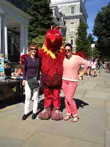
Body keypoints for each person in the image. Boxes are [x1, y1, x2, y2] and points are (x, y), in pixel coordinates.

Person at [62, 43, 90, 122]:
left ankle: (75, 115)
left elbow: (88, 63)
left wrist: (82, 72)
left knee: (69, 98)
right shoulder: (64, 58)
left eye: (69, 50)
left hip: (73, 81)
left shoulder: (76, 58)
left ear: (71, 50)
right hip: (64, 80)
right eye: (66, 50)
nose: (67, 51)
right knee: (65, 99)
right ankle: (68, 113)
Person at [22, 44, 41, 120]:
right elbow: (24, 69)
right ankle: (25, 113)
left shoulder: (39, 59)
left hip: (36, 79)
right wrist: (24, 79)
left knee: (35, 97)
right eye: (32, 49)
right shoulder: (27, 59)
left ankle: (34, 112)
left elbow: (40, 69)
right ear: (29, 50)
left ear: (36, 50)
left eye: (35, 49)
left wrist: (39, 79)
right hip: (28, 80)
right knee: (27, 96)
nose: (33, 50)